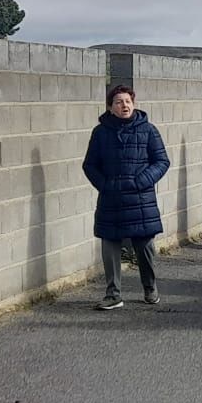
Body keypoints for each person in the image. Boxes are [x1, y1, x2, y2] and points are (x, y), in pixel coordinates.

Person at [82, 85, 169, 310]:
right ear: (111, 107)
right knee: (109, 246)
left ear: (134, 103)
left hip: (140, 199)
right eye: (119, 102)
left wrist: (141, 181)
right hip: (111, 199)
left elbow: (161, 162)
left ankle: (150, 287)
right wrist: (105, 185)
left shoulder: (148, 130)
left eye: (128, 101)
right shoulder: (100, 132)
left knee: (145, 247)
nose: (124, 105)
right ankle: (113, 294)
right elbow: (90, 165)